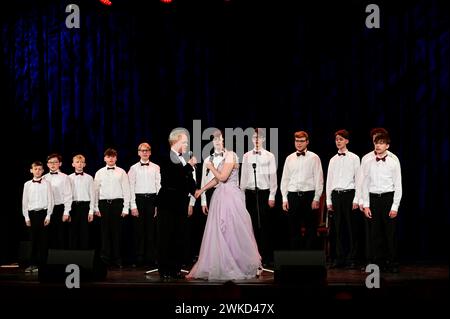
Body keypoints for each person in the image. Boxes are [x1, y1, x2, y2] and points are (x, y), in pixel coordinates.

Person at [187, 145, 262, 280]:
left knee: (232, 230)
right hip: (221, 195)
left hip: (231, 197)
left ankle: (239, 263)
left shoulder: (231, 156)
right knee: (220, 232)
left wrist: (211, 167)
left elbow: (223, 177)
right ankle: (222, 263)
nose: (217, 144)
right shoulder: (223, 159)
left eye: (220, 140)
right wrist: (202, 189)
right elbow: (217, 179)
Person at [156, 128, 197, 280]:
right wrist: (189, 166)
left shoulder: (184, 158)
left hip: (180, 202)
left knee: (179, 235)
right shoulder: (165, 156)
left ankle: (175, 268)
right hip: (168, 202)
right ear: (175, 141)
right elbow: (171, 178)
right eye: (184, 142)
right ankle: (165, 268)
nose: (186, 145)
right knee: (166, 235)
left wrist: (196, 191)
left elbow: (188, 179)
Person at [357, 128, 399, 267]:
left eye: (381, 143)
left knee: (389, 233)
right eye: (376, 143)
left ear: (387, 145)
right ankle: (377, 262)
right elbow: (365, 185)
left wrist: (394, 206)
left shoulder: (393, 161)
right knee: (375, 233)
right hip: (373, 199)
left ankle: (392, 262)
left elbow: (398, 185)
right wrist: (366, 204)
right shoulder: (368, 162)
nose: (378, 145)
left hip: (388, 198)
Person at [280, 131, 324, 250]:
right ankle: (296, 257)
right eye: (297, 141)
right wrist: (284, 198)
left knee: (311, 228)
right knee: (294, 228)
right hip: (293, 196)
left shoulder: (314, 158)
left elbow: (319, 179)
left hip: (309, 195)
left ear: (307, 142)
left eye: (301, 141)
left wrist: (316, 198)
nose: (299, 144)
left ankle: (309, 258)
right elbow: (285, 180)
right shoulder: (289, 158)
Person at [240, 128, 277, 267]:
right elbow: (243, 176)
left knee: (265, 226)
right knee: (251, 225)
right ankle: (252, 257)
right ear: (251, 139)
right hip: (249, 193)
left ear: (263, 139)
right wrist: (241, 194)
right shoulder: (246, 156)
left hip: (264, 193)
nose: (256, 140)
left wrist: (272, 195)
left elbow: (273, 177)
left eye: (259, 138)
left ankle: (265, 256)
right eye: (254, 137)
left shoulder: (269, 156)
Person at [325, 130, 360, 268]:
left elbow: (359, 180)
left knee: (351, 228)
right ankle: (339, 258)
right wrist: (328, 200)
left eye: (341, 139)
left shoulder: (354, 158)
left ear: (347, 141)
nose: (338, 141)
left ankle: (352, 258)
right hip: (336, 196)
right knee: (337, 229)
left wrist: (356, 199)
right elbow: (329, 181)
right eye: (336, 139)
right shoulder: (332, 160)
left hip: (349, 195)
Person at [94, 148, 130, 268]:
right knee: (104, 233)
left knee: (117, 232)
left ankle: (117, 259)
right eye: (108, 157)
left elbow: (126, 190)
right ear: (104, 158)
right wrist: (95, 208)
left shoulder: (122, 172)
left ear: (116, 158)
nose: (110, 159)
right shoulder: (99, 172)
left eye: (113, 156)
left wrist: (126, 208)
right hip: (103, 204)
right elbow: (95, 191)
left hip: (117, 204)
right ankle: (105, 259)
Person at [128, 142, 161, 267]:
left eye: (147, 150)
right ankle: (139, 257)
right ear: (138, 152)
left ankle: (151, 258)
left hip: (152, 200)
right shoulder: (133, 168)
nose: (145, 152)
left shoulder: (156, 167)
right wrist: (133, 206)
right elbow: (130, 187)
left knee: (151, 230)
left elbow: (159, 186)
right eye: (142, 150)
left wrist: (158, 205)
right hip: (139, 200)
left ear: (150, 152)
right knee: (139, 230)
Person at [22, 161, 54, 272]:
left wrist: (48, 216)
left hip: (43, 214)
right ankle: (32, 264)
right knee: (33, 241)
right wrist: (26, 217)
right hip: (32, 215)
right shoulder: (27, 184)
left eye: (40, 169)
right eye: (35, 169)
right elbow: (24, 202)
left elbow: (51, 200)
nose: (37, 171)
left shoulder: (47, 183)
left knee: (43, 241)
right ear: (31, 170)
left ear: (43, 171)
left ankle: (42, 265)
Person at [43, 153, 72, 249]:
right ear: (47, 164)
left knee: (60, 234)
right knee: (47, 235)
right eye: (50, 162)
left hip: (59, 208)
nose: (53, 164)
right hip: (46, 209)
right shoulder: (43, 178)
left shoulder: (65, 177)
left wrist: (66, 212)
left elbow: (68, 195)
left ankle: (60, 259)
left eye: (55, 162)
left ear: (60, 164)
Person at [68, 154, 95, 250]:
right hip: (73, 207)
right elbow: (67, 196)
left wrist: (91, 211)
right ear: (73, 164)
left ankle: (84, 257)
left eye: (81, 162)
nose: (79, 164)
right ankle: (73, 257)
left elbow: (93, 195)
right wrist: (67, 212)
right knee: (73, 232)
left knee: (85, 232)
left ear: (85, 164)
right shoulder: (69, 178)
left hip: (85, 207)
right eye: (77, 162)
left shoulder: (89, 178)